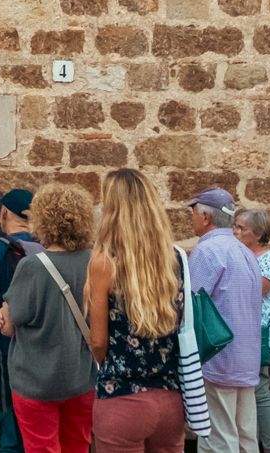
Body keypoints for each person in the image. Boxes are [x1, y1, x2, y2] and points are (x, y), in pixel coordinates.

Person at [85, 169, 187, 453]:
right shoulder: (175, 258)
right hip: (170, 398)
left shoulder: (105, 263)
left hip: (122, 395)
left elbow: (98, 341)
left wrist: (113, 364)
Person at [0, 186, 94, 453]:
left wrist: (2, 316)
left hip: (35, 380)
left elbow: (9, 324)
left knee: (41, 447)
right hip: (81, 376)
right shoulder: (94, 261)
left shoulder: (32, 266)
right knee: (78, 446)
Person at [187, 188, 261, 453]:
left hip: (218, 358)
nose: (192, 218)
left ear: (206, 217)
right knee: (245, 436)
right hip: (245, 358)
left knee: (218, 437)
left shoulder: (208, 251)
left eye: (193, 212)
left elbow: (191, 306)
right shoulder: (245, 252)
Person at [0, 188, 41, 453]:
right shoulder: (44, 248)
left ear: (3, 212)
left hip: (4, 340)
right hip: (40, 339)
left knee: (6, 409)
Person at [232, 207, 270, 453]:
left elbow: (252, 292)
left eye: (242, 228)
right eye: (235, 226)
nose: (236, 231)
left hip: (257, 335)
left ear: (259, 232)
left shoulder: (269, 258)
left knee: (261, 393)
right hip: (241, 336)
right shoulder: (242, 255)